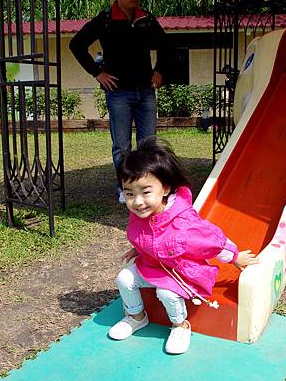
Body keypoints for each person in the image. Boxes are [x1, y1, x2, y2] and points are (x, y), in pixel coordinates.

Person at [108, 137, 259, 354]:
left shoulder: (183, 223)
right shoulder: (140, 214)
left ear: (166, 188)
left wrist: (235, 256)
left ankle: (180, 325)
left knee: (166, 293)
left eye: (145, 192)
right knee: (124, 278)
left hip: (179, 272)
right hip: (151, 265)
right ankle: (136, 317)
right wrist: (138, 249)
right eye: (129, 193)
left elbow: (212, 241)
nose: (137, 201)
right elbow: (146, 236)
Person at [69, 0, 169, 202]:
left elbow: (166, 46)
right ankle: (125, 188)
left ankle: (149, 186)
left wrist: (160, 70)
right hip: (119, 94)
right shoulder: (105, 20)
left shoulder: (147, 19)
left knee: (148, 144)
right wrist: (98, 73)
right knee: (122, 147)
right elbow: (77, 45)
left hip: (145, 92)